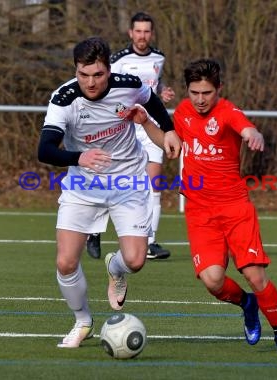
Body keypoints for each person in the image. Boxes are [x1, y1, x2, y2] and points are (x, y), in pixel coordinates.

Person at [37, 36, 181, 348]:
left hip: (128, 181)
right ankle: (82, 321)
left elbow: (152, 99)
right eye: (83, 74)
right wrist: (79, 157)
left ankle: (115, 268)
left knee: (136, 261)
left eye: (98, 75)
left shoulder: (128, 84)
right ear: (76, 70)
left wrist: (168, 129)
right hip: (83, 187)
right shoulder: (64, 98)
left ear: (109, 71)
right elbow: (45, 150)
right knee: (65, 263)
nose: (90, 82)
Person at [172, 58, 277, 355]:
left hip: (234, 207)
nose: (201, 100)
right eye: (195, 93)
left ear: (219, 88)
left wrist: (252, 134)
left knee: (255, 275)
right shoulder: (182, 112)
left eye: (207, 93)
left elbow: (245, 128)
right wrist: (145, 124)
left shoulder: (228, 111)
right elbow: (171, 141)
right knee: (213, 281)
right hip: (199, 210)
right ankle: (247, 303)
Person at [86, 11, 175, 261]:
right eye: (138, 31)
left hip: (150, 126)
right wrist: (122, 112)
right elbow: (107, 94)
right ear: (130, 33)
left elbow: (155, 87)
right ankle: (94, 230)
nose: (142, 36)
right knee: (108, 178)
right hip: (124, 127)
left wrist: (163, 92)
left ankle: (150, 242)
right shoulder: (118, 60)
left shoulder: (160, 57)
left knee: (153, 184)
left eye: (147, 31)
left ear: (152, 33)